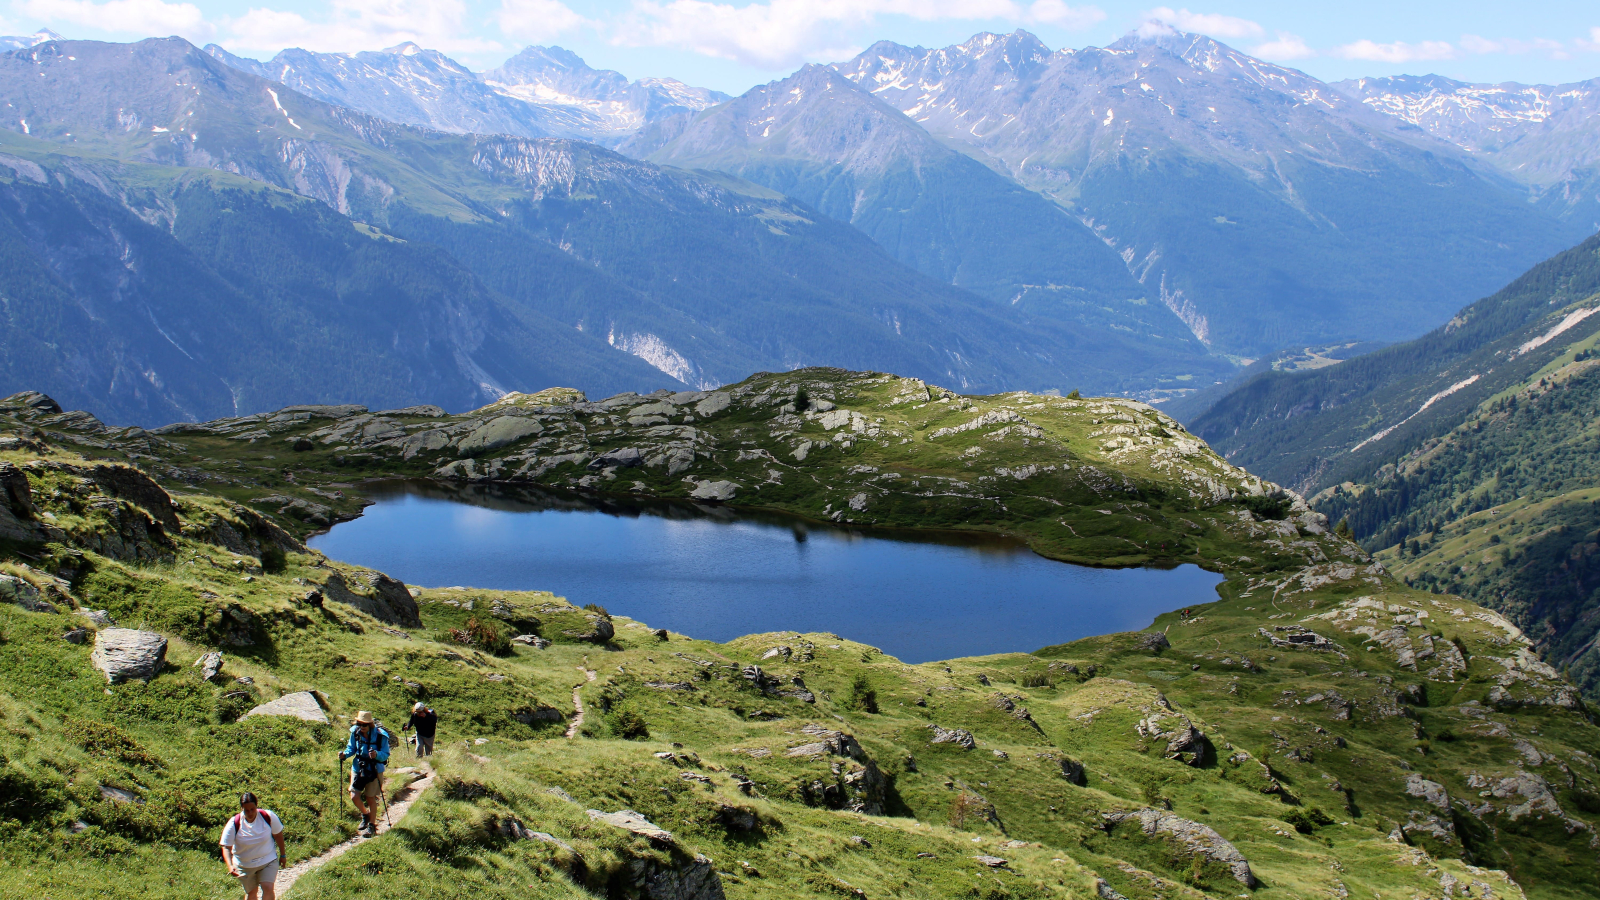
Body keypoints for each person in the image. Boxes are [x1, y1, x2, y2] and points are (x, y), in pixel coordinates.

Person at [219, 791, 286, 900]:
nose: (250, 813)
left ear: (257, 806)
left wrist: (283, 855)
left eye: (252, 809)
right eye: (246, 810)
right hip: (244, 865)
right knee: (252, 893)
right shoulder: (234, 823)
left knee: (268, 887)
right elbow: (226, 847)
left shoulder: (267, 816)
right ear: (241, 808)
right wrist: (230, 866)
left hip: (267, 861)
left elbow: (278, 835)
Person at [339, 710, 390, 835]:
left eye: (364, 724)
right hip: (359, 767)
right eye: (359, 724)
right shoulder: (355, 732)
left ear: (370, 724)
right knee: (354, 796)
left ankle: (372, 826)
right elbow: (351, 748)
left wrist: (376, 754)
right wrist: (344, 755)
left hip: (374, 770)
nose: (361, 727)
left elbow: (386, 754)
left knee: (370, 798)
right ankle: (365, 814)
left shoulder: (380, 735)